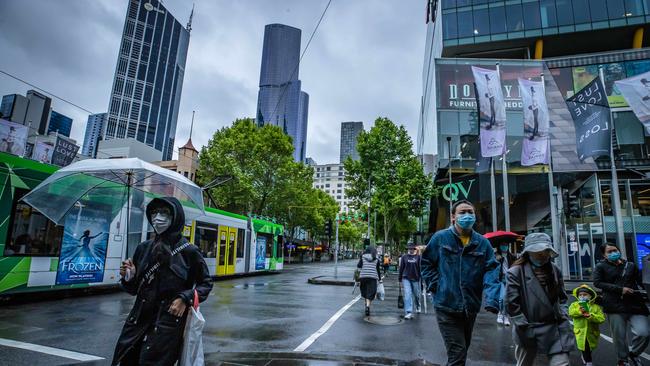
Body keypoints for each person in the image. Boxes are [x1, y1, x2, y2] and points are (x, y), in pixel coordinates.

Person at [112, 197, 213, 366]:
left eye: (164, 212)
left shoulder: (189, 251)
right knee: (126, 360)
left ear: (176, 216)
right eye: (154, 212)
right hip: (137, 322)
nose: (157, 217)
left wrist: (184, 298)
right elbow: (133, 289)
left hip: (167, 325)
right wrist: (129, 276)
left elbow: (206, 284)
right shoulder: (143, 248)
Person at [421, 199, 500, 366]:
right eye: (462, 212)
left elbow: (492, 269)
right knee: (458, 354)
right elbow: (426, 263)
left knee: (462, 351)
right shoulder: (440, 238)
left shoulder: (482, 243)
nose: (467, 215)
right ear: (453, 217)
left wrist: (492, 299)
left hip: (470, 307)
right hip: (446, 306)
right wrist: (436, 286)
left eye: (470, 212)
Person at [506, 233, 575, 366]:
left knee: (562, 363)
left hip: (556, 328)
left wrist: (563, 313)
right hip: (529, 327)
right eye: (537, 251)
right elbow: (511, 303)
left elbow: (562, 297)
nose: (542, 255)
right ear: (528, 253)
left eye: (545, 251)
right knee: (525, 363)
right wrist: (523, 325)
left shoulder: (555, 270)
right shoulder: (515, 272)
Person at [593, 242, 650, 366]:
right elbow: (597, 283)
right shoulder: (600, 266)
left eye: (615, 250)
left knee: (644, 332)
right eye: (610, 251)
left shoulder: (630, 265)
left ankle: (634, 354)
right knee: (619, 337)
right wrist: (620, 289)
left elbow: (640, 281)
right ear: (604, 255)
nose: (614, 253)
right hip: (614, 305)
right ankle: (623, 360)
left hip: (635, 304)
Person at [568, 284, 605, 366]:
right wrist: (580, 311)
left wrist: (590, 316)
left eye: (585, 295)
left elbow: (601, 319)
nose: (582, 296)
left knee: (589, 348)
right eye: (580, 295)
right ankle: (589, 362)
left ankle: (585, 356)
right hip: (581, 332)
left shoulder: (596, 307)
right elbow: (571, 313)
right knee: (585, 348)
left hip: (592, 332)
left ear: (590, 296)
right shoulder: (575, 305)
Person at [398, 243, 421, 319]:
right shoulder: (404, 257)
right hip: (406, 278)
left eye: (412, 248)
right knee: (408, 294)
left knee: (416, 295)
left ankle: (418, 306)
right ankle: (409, 312)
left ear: (414, 249)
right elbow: (401, 268)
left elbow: (420, 268)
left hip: (416, 278)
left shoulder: (418, 257)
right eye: (409, 248)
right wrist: (400, 278)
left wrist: (422, 278)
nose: (410, 250)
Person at [357, 245, 381, 316]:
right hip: (372, 277)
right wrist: (379, 279)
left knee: (365, 291)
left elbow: (359, 265)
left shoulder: (363, 256)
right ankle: (367, 306)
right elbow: (378, 270)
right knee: (370, 293)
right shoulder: (376, 258)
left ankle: (366, 304)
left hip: (363, 276)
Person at [496, 242, 515, 326]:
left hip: (509, 279)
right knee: (501, 298)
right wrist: (497, 260)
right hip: (500, 279)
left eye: (506, 245)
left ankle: (506, 316)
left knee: (507, 299)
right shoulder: (496, 256)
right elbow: (491, 266)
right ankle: (500, 314)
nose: (505, 247)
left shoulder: (512, 256)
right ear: (499, 246)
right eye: (503, 245)